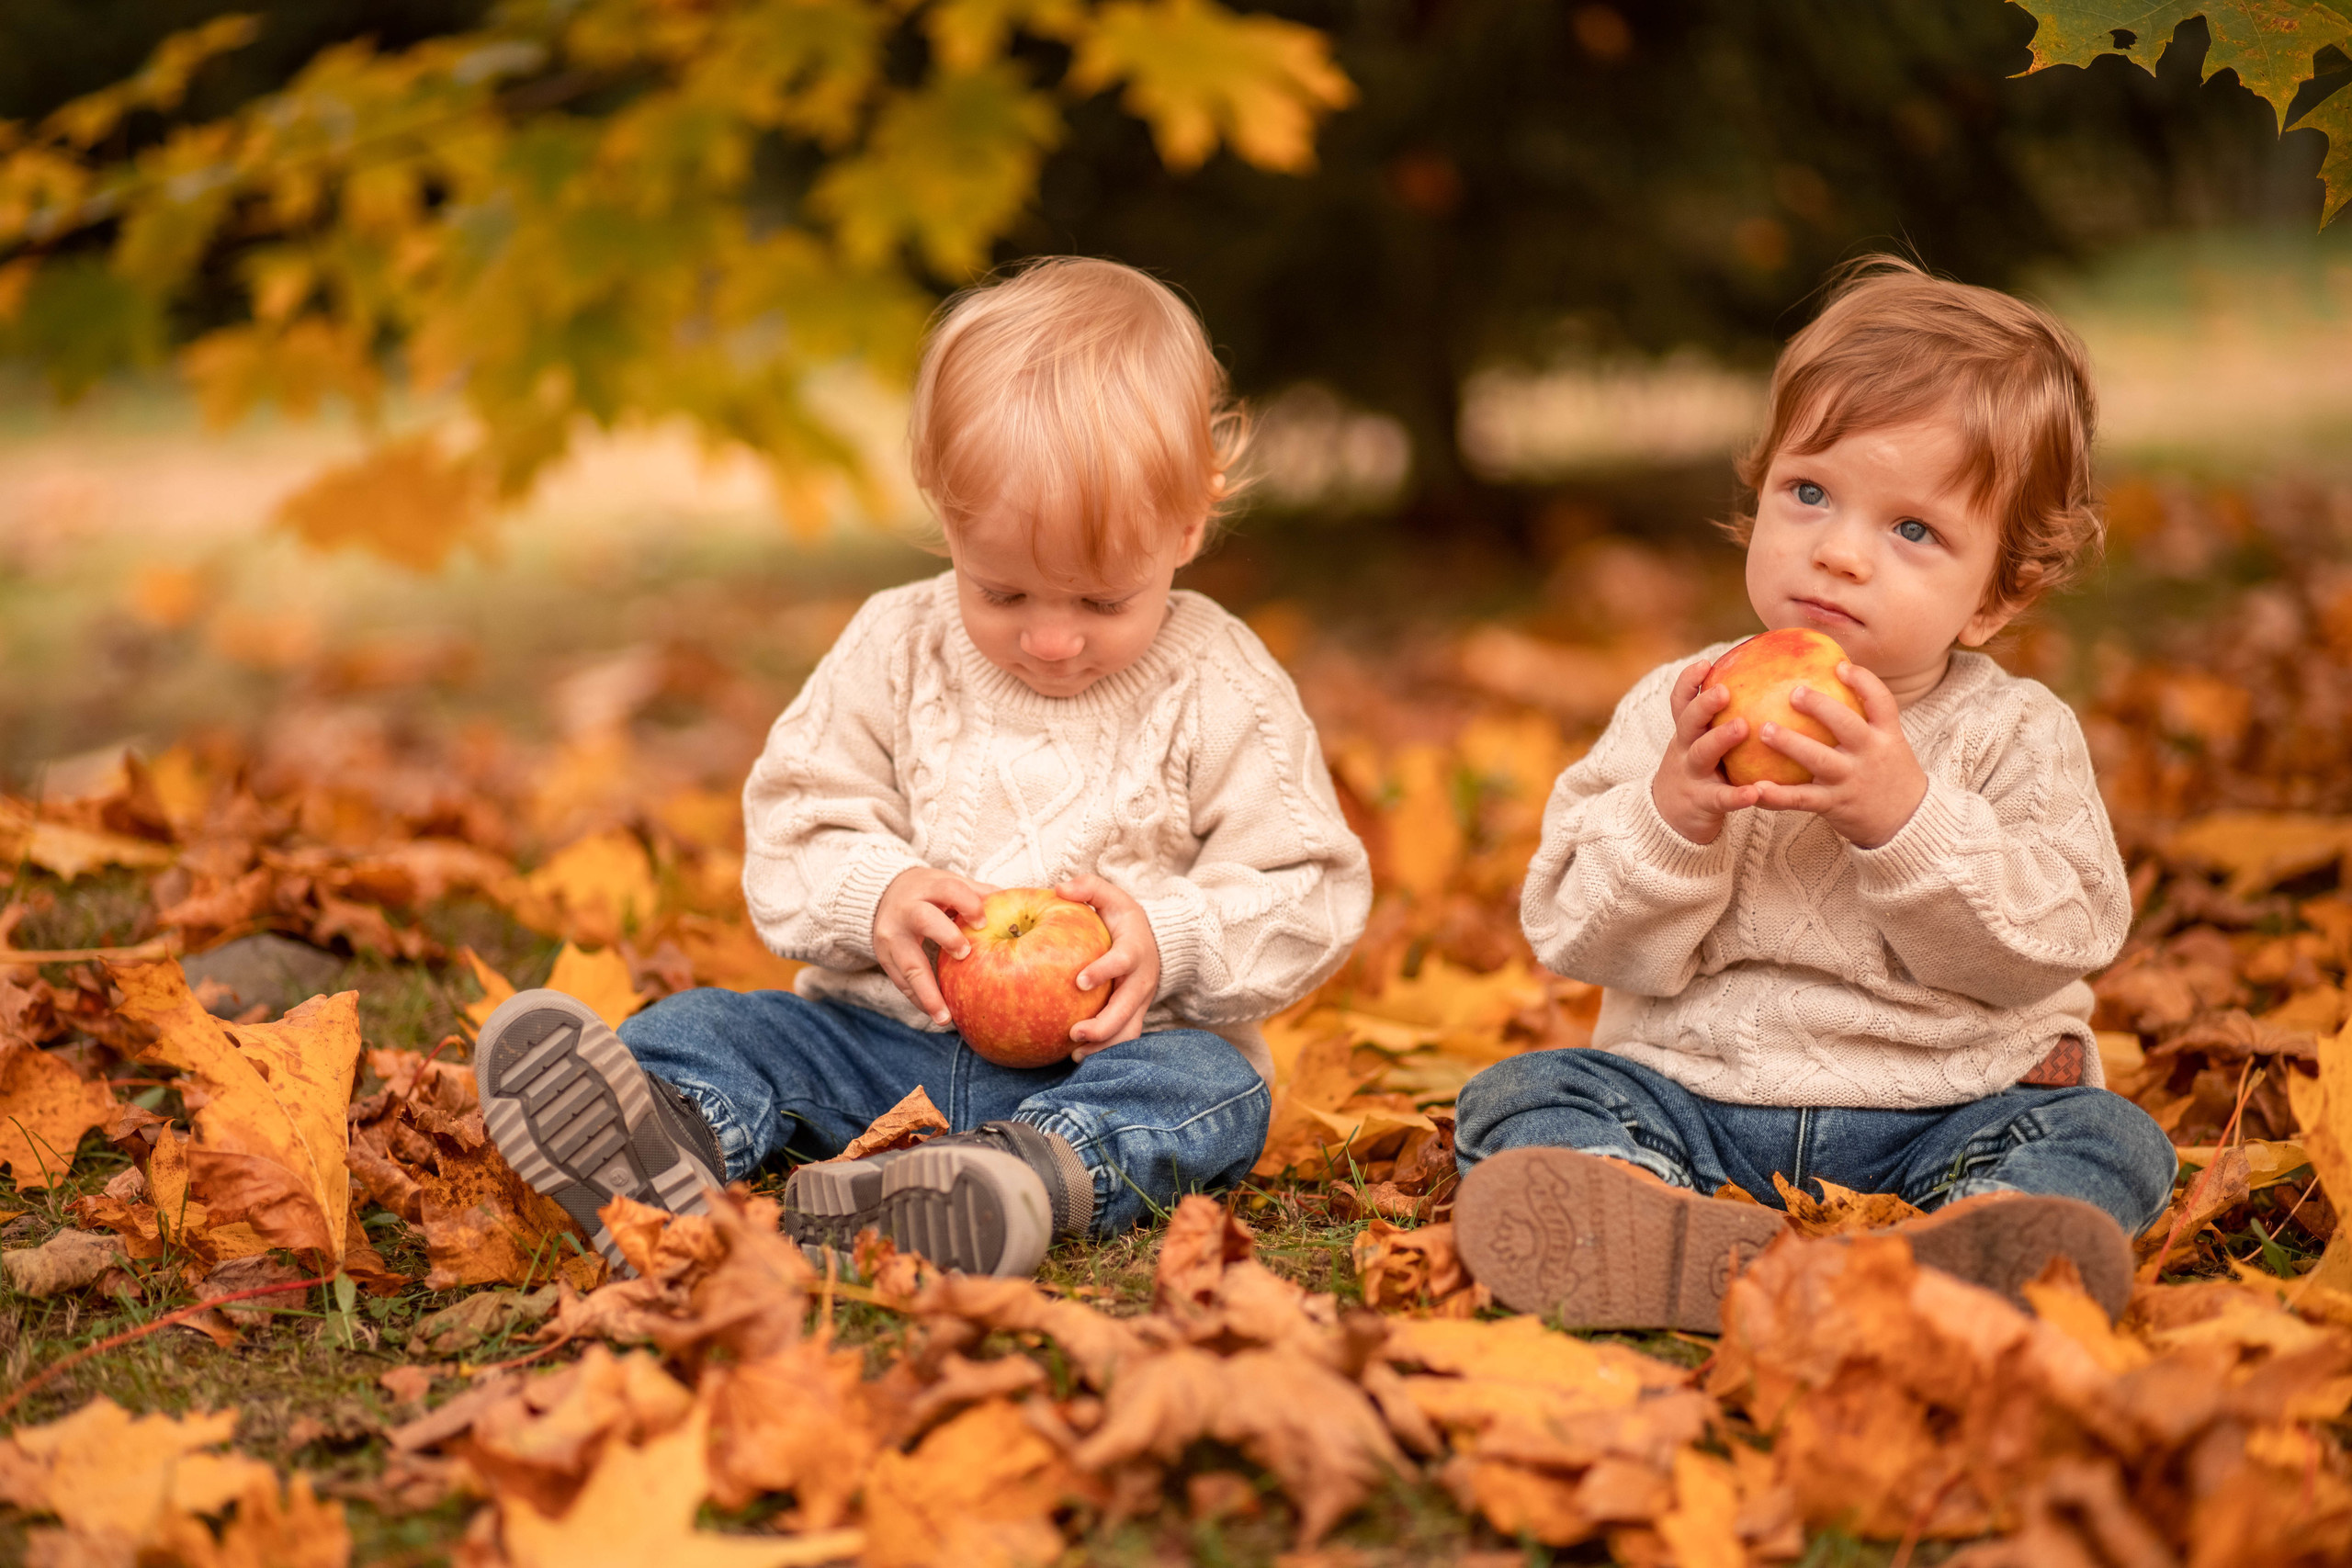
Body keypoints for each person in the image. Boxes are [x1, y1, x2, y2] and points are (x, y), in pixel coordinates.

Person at [476, 258, 1371, 1277]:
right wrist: (877, 893)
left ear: (1188, 525)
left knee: (1213, 1093)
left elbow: (1308, 887)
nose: (1048, 640)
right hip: (870, 1044)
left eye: (1100, 603)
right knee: (715, 1024)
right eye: (1002, 592)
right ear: (945, 515)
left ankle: (1019, 1177)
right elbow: (794, 819)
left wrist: (1169, 941)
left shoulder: (1221, 683)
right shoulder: (893, 648)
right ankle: (665, 1140)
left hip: (1108, 1063)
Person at [1452, 256, 2176, 1327]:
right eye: (1809, 493)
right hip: (1694, 1099)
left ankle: (1974, 1240)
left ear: (1997, 594)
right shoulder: (1680, 704)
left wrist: (1906, 822)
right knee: (1520, 1094)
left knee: (2109, 1137)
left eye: (1912, 530)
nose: (1837, 553)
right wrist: (1672, 818)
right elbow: (1571, 928)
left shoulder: (2015, 732)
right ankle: (1654, 1223)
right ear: (1758, 496)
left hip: (1946, 1105)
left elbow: (2061, 935)